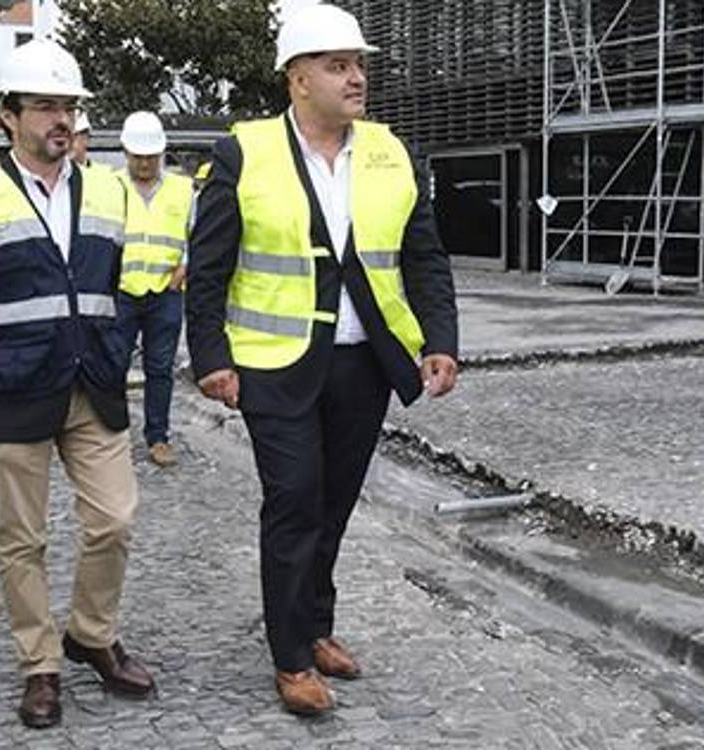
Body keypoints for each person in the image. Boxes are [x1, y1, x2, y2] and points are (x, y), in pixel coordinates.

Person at [185, 2, 459, 717]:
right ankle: (289, 658)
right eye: (337, 65)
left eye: (359, 64)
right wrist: (209, 355)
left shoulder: (391, 151)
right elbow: (207, 266)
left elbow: (422, 254)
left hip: (363, 362)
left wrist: (439, 341)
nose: (355, 77)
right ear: (296, 79)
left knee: (332, 504)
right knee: (294, 500)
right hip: (272, 362)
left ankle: (317, 625)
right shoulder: (243, 152)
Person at [0, 39, 154, 730]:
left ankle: (91, 633)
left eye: (69, 106)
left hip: (94, 382)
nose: (61, 118)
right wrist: (3, 357)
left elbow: (119, 285)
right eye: (46, 106)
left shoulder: (110, 188)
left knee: (113, 519)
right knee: (21, 539)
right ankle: (40, 664)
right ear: (10, 117)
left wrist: (113, 345)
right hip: (17, 387)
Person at [114, 111, 194, 467]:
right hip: (121, 290)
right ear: (126, 153)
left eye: (151, 156)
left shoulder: (182, 188)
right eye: (138, 156)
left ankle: (158, 437)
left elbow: (198, 234)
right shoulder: (111, 187)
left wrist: (185, 267)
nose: (145, 163)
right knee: (112, 365)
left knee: (160, 368)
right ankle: (111, 436)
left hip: (166, 290)